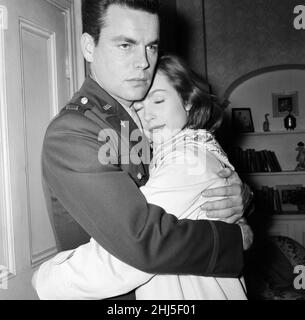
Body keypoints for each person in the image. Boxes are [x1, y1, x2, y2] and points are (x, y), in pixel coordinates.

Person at [34, 0, 252, 300]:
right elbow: (145, 240)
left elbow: (194, 178)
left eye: (151, 46)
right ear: (88, 47)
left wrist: (240, 195)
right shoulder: (73, 132)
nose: (144, 63)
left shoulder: (149, 120)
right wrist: (236, 237)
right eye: (126, 45)